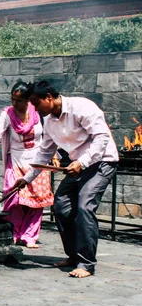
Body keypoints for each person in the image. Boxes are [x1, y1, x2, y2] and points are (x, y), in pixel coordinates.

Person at [12, 80, 119, 278]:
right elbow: (44, 153)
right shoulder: (50, 122)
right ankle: (74, 256)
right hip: (78, 166)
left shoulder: (82, 107)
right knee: (61, 205)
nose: (34, 108)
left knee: (85, 206)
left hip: (102, 162)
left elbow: (102, 138)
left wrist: (83, 162)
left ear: (49, 98)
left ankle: (87, 263)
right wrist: (27, 179)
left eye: (36, 103)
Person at [0, 82, 54, 248]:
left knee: (36, 202)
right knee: (14, 200)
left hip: (37, 161)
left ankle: (29, 237)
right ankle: (14, 232)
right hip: (16, 161)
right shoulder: (7, 114)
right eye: (12, 99)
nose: (14, 103)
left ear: (28, 100)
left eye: (18, 100)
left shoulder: (38, 111)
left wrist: (53, 154)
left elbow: (49, 135)